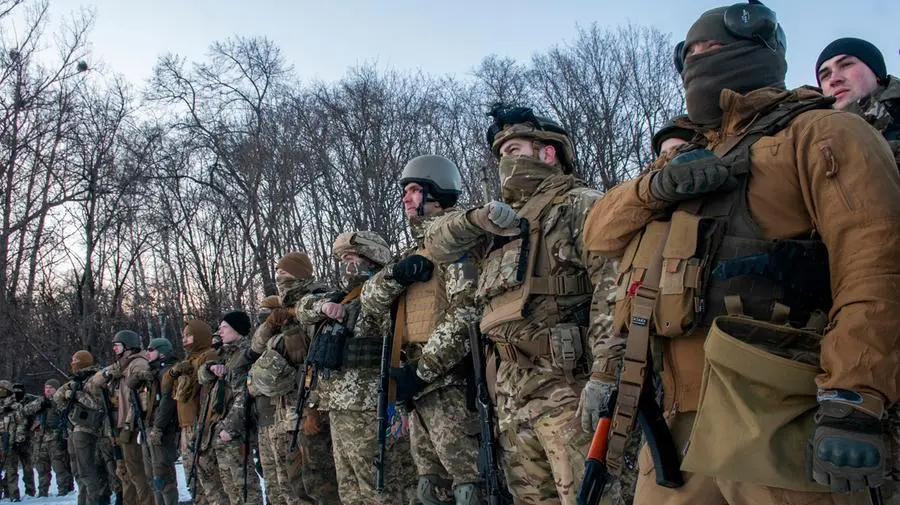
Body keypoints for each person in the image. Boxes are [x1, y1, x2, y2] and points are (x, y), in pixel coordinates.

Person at [582, 2, 900, 504]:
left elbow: (874, 266)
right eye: (689, 54)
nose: (698, 61)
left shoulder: (822, 132)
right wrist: (655, 188)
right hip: (675, 424)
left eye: (711, 48)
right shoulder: (690, 155)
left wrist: (854, 396)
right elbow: (598, 233)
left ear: (758, 49)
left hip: (780, 414)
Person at [423, 104, 617, 505]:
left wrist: (605, 372)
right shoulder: (499, 225)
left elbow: (613, 289)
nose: (505, 163)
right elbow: (436, 243)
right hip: (510, 395)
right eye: (500, 156)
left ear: (548, 152)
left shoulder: (580, 204)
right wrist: (476, 219)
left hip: (568, 390)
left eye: (513, 150)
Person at [360, 154, 483, 505]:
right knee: (431, 488)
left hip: (451, 384)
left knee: (469, 487)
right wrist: (396, 275)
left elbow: (465, 315)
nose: (405, 198)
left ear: (437, 192)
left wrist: (420, 371)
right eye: (405, 191)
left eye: (414, 189)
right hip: (417, 387)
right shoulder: (413, 252)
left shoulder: (457, 243)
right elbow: (370, 301)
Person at [294, 232, 415, 505]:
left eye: (350, 258)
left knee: (382, 490)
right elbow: (302, 307)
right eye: (342, 261)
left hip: (374, 409)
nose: (346, 267)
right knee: (350, 491)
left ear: (371, 257)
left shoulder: (384, 291)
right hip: (340, 409)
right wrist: (324, 306)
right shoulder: (345, 298)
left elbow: (383, 286)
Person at [199, 310, 264, 505]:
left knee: (244, 486)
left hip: (237, 430)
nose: (220, 331)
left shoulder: (246, 355)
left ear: (237, 329)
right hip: (221, 428)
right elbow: (202, 377)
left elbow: (245, 394)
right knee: (230, 487)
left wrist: (230, 427)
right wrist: (210, 367)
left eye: (224, 327)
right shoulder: (225, 354)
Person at [127, 337, 180, 505]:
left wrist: (158, 427)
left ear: (162, 352)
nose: (147, 353)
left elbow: (167, 403)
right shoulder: (153, 372)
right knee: (151, 476)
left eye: (151, 350)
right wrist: (142, 374)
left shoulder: (168, 372)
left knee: (163, 476)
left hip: (162, 429)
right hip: (148, 427)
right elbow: (130, 383)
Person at [21, 378, 74, 497]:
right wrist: (40, 404)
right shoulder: (41, 401)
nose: (48, 390)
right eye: (46, 388)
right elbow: (26, 410)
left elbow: (67, 412)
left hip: (56, 438)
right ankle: (42, 492)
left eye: (51, 388)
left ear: (57, 389)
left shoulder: (62, 400)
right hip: (40, 439)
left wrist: (55, 405)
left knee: (59, 466)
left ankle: (64, 491)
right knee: (41, 467)